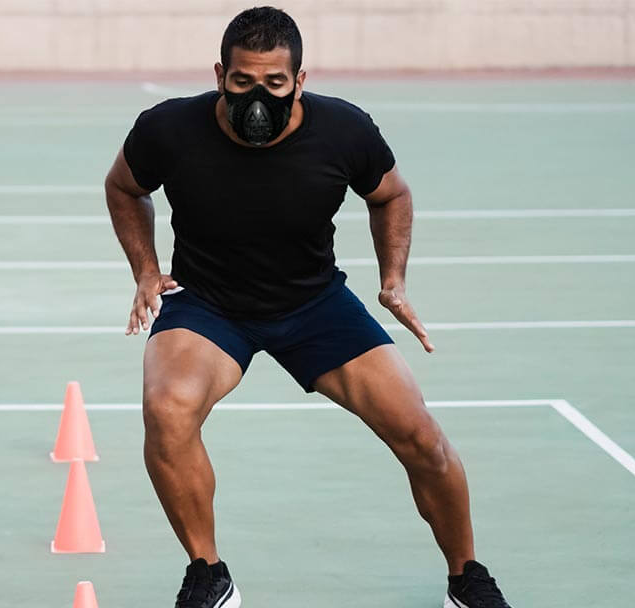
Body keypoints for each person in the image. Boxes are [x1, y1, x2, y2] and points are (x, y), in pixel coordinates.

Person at [103, 7, 514, 608]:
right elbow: (123, 186)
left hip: (315, 303)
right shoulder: (168, 130)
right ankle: (209, 574)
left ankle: (467, 578)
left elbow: (391, 194)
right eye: (242, 82)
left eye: (273, 83)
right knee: (166, 411)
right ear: (220, 74)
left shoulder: (344, 131)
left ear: (299, 80)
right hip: (210, 307)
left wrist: (393, 278)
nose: (257, 98)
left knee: (421, 437)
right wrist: (144, 270)